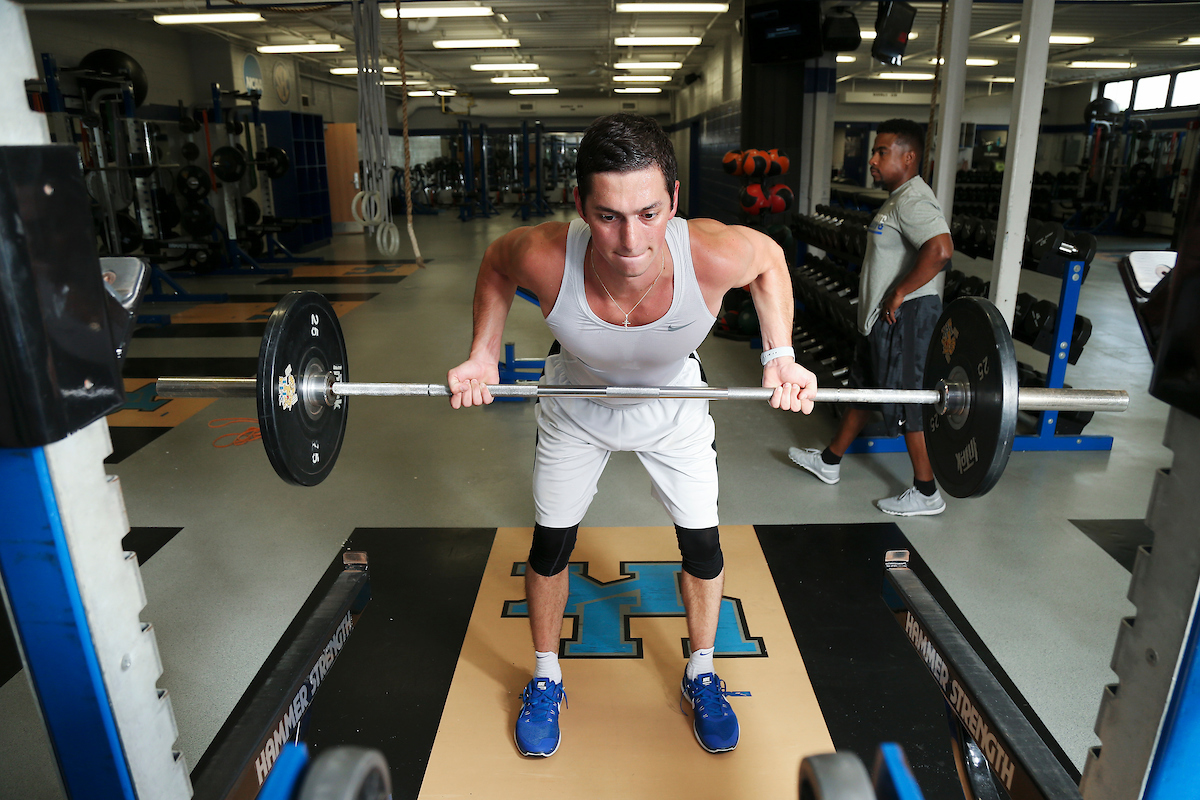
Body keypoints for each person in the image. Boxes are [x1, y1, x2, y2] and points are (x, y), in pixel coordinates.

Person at [447, 113, 817, 758]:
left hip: (673, 408)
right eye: (609, 216)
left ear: (674, 200)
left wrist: (778, 354)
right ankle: (546, 675)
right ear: (581, 206)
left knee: (703, 548)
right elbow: (494, 264)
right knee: (549, 548)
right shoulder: (542, 254)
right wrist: (482, 353)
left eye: (649, 214)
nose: (629, 239)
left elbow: (772, 262)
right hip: (575, 405)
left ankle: (702, 671)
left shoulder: (711, 253)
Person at [788, 118, 953, 516]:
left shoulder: (914, 198)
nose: (873, 160)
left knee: (907, 398)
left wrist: (898, 292)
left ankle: (927, 492)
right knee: (863, 389)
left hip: (906, 318)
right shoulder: (897, 198)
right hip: (881, 320)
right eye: (875, 151)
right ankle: (829, 462)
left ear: (908, 157)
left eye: (882, 152)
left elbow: (941, 249)